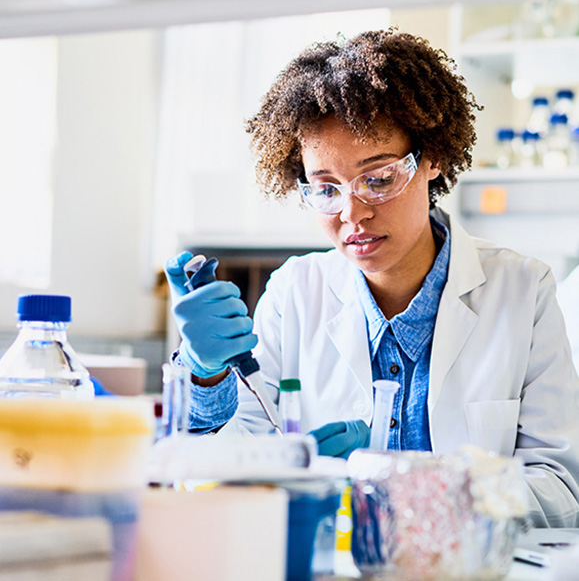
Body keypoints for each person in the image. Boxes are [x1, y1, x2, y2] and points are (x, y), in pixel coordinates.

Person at [164, 28, 579, 528]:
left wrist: (414, 487)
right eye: (326, 189)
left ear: (431, 159)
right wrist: (204, 375)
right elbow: (218, 468)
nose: (352, 213)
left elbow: (558, 488)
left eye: (378, 179)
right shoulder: (296, 293)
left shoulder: (522, 290)